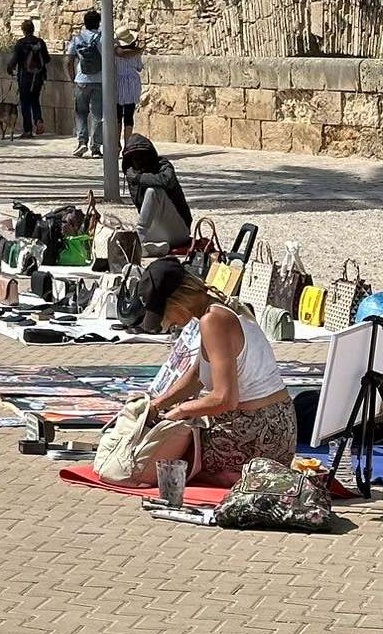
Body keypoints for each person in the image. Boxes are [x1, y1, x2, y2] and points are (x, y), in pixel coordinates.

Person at [142, 260, 295, 485]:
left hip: (259, 433)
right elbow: (196, 378)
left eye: (166, 315)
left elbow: (225, 399)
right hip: (273, 424)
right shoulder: (218, 310)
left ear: (178, 301)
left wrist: (180, 411)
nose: (169, 323)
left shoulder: (213, 321)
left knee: (163, 460)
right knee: (168, 441)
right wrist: (157, 404)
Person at [121, 134, 193, 256]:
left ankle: (138, 240)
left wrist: (140, 178)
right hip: (155, 232)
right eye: (136, 158)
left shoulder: (163, 165)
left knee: (153, 191)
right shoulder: (132, 174)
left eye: (143, 156)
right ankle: (154, 247)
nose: (140, 161)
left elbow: (167, 181)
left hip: (179, 232)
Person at [67, 9, 106, 158]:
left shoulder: (78, 38)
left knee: (81, 113)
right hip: (100, 80)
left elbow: (68, 60)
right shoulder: (102, 37)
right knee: (98, 115)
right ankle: (95, 147)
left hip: (81, 80)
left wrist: (72, 77)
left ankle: (81, 142)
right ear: (99, 22)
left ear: (85, 22)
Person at [6, 18, 51, 137]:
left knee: (25, 103)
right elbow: (47, 59)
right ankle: (38, 120)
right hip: (38, 77)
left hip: (25, 78)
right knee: (35, 100)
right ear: (33, 29)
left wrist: (9, 69)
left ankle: (28, 130)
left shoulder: (21, 43)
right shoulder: (40, 42)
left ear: (23, 30)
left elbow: (14, 60)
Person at [116, 29, 144, 135]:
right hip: (132, 85)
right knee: (129, 115)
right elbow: (139, 67)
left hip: (118, 84)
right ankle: (127, 144)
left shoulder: (114, 53)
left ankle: (116, 142)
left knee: (117, 115)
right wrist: (139, 50)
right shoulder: (135, 53)